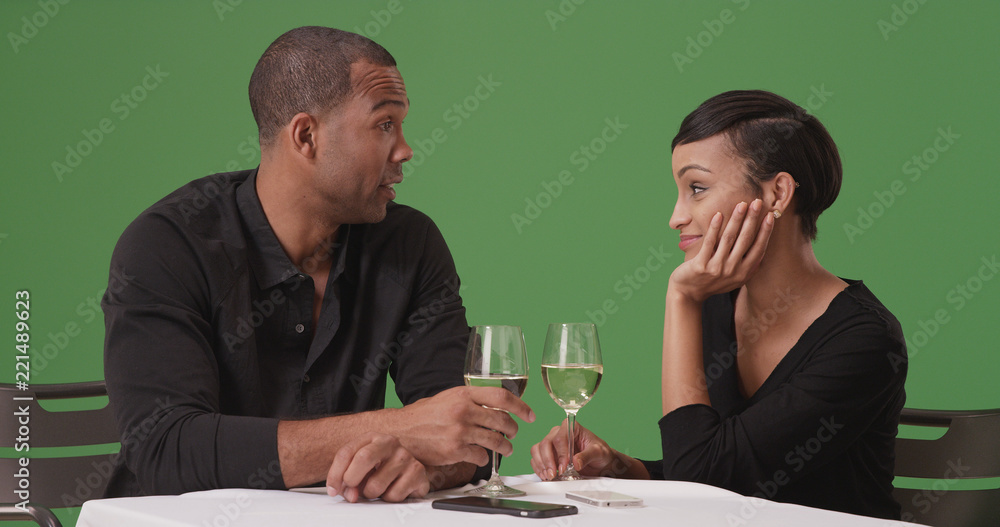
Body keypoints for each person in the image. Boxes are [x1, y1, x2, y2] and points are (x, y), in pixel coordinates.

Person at [101, 26, 534, 503]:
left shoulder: (409, 243)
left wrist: (423, 473)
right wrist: (402, 429)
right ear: (306, 136)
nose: (406, 149)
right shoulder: (167, 245)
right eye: (384, 124)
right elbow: (168, 450)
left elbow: (464, 433)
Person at [530, 90, 907, 519]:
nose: (676, 217)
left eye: (697, 188)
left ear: (777, 194)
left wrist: (681, 298)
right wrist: (621, 466)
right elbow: (718, 465)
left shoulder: (865, 339)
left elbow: (707, 480)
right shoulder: (718, 306)